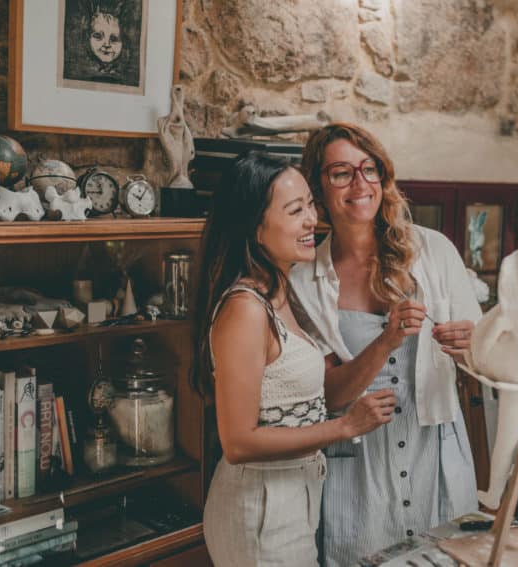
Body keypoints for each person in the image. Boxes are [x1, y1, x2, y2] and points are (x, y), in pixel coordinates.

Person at [290, 123, 480, 566]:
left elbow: (485, 363)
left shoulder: (434, 252)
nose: (359, 184)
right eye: (340, 173)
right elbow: (329, 394)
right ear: (318, 187)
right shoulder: (303, 282)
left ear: (382, 177)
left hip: (432, 450)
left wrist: (471, 346)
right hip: (358, 467)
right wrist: (386, 339)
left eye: (368, 169)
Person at [193, 152, 396, 566]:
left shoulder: (280, 292)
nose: (312, 220)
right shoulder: (245, 308)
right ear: (254, 226)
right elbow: (238, 442)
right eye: (295, 210)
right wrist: (343, 427)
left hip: (292, 497)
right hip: (259, 507)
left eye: (310, 204)